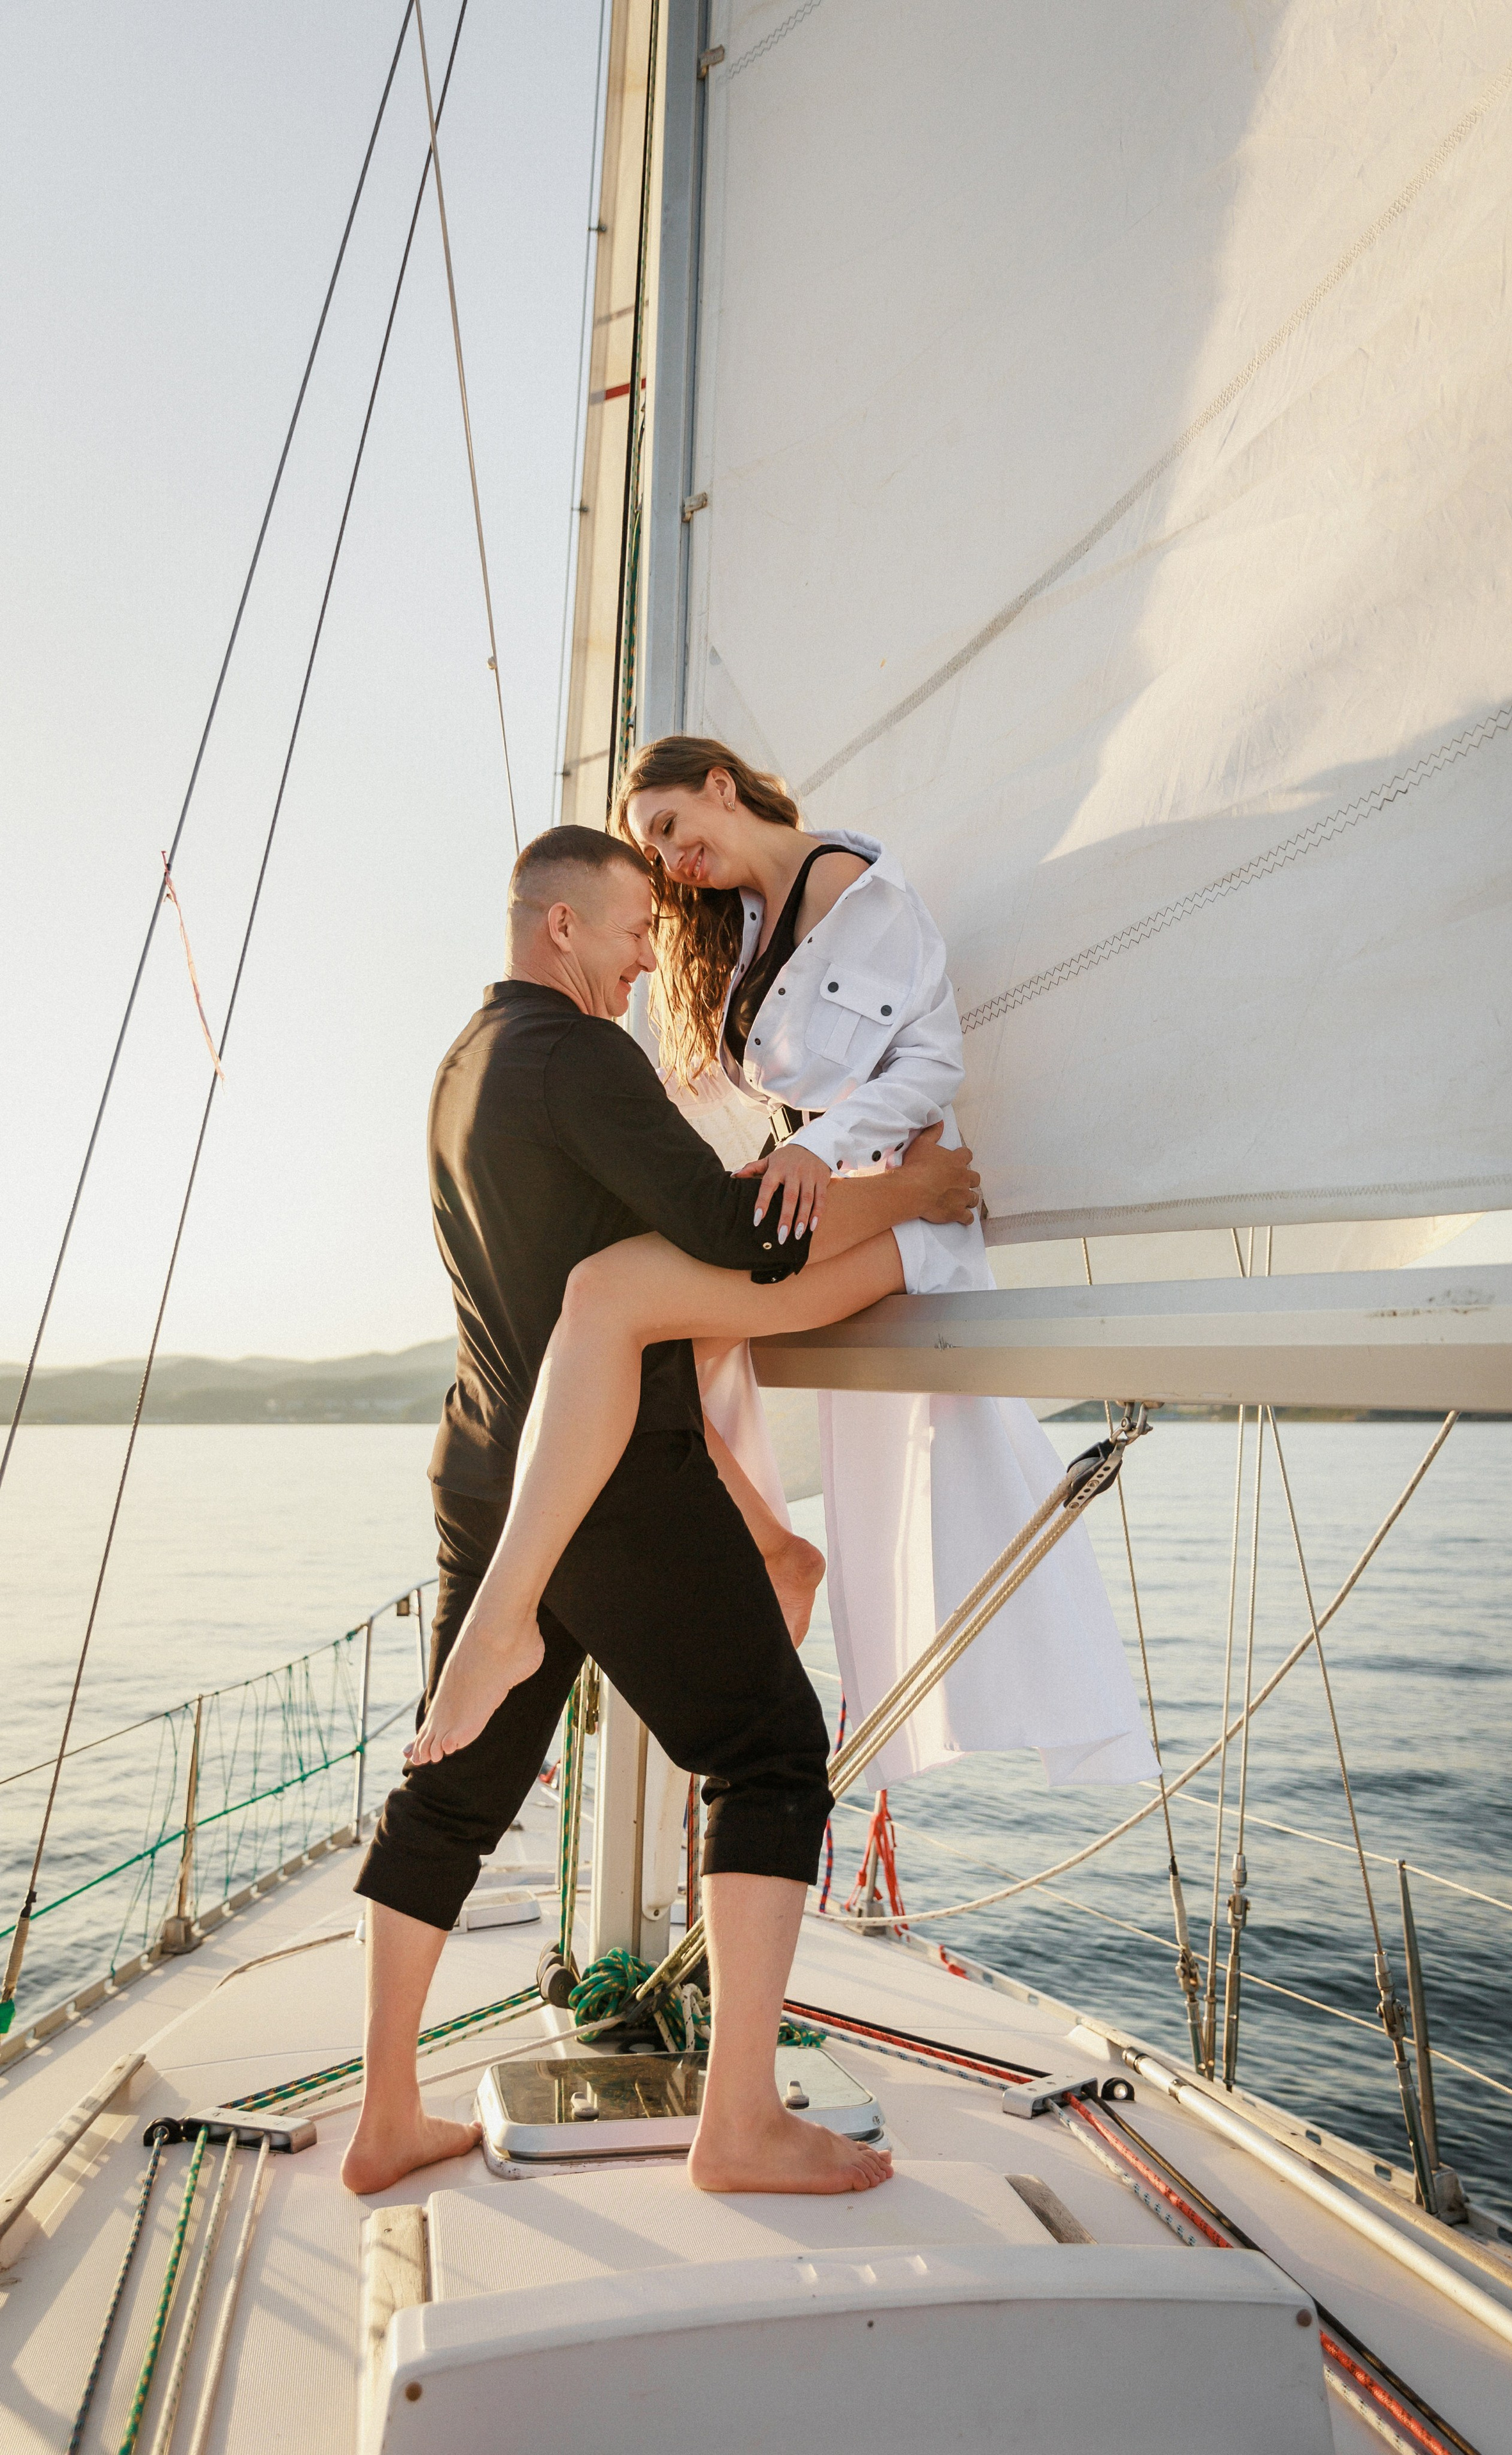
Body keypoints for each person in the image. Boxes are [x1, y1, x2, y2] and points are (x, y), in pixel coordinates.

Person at [345, 823, 978, 2200]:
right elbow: (732, 1232)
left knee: (450, 1792)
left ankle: (384, 2117)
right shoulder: (577, 1053)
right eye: (635, 930)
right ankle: (739, 2124)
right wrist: (912, 1195)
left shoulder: (463, 1064)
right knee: (769, 1755)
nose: (647, 959)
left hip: (482, 1457)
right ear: (561, 926)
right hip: (607, 1482)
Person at [412, 742, 1157, 1798]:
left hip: (886, 1211)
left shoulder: (861, 891)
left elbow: (930, 1062)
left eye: (669, 827)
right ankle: (767, 1555)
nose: (671, 860)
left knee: (611, 1301)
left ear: (720, 784)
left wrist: (823, 1156)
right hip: (803, 1217)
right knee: (645, 1353)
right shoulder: (744, 934)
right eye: (652, 852)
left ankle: (513, 1614)